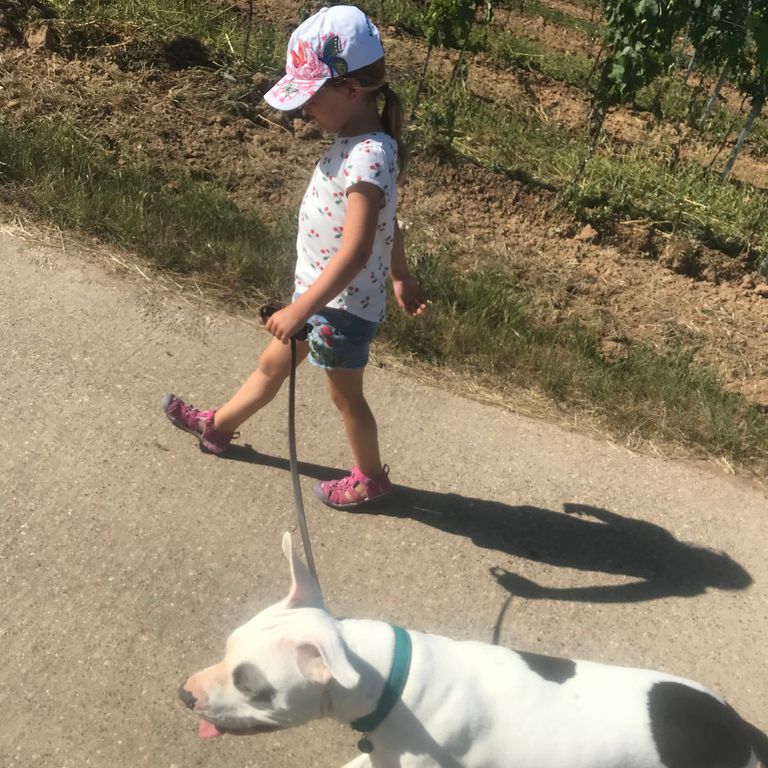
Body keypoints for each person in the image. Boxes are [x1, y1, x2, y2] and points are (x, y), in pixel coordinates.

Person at [163, 5, 426, 510]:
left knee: (345, 397)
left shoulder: (369, 154)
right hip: (320, 298)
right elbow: (387, 226)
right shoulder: (357, 142)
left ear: (351, 90)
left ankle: (371, 478)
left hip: (340, 309)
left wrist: (302, 309)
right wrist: (400, 275)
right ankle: (218, 428)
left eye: (311, 96)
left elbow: (358, 248)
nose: (303, 110)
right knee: (272, 363)